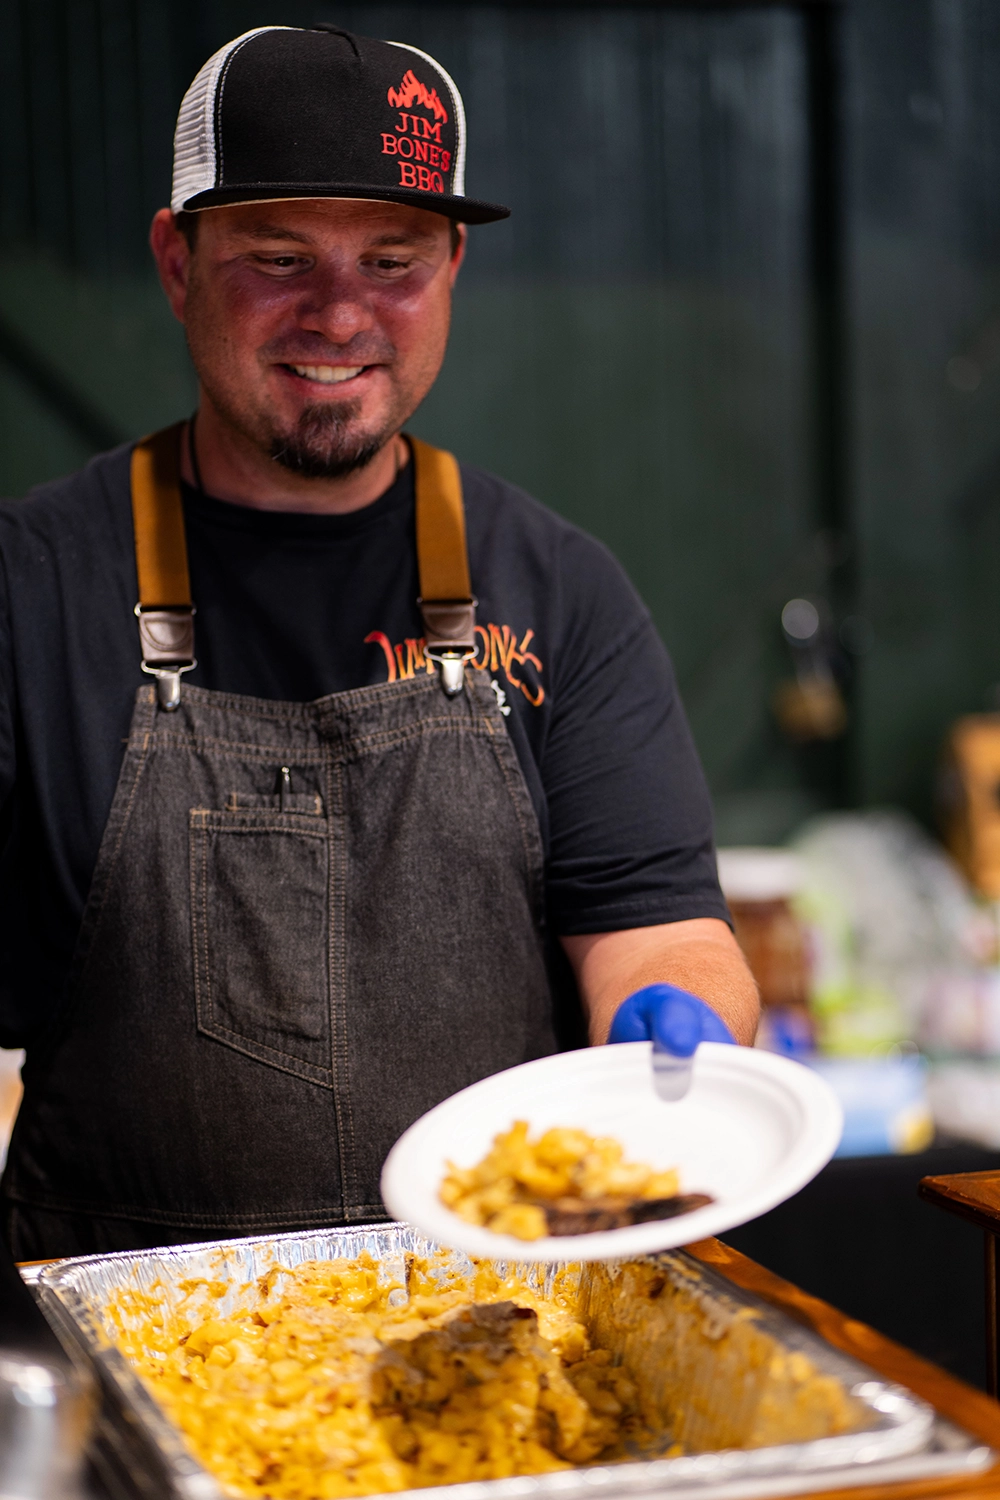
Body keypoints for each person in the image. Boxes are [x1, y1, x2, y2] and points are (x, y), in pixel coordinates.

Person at [0, 24, 758, 1260]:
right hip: (117, 1341)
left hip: (502, 1314)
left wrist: (677, 1023)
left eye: (392, 259)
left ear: (452, 265)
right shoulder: (30, 585)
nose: (340, 312)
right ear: (177, 261)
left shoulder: (559, 587)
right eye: (278, 256)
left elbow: (657, 923)